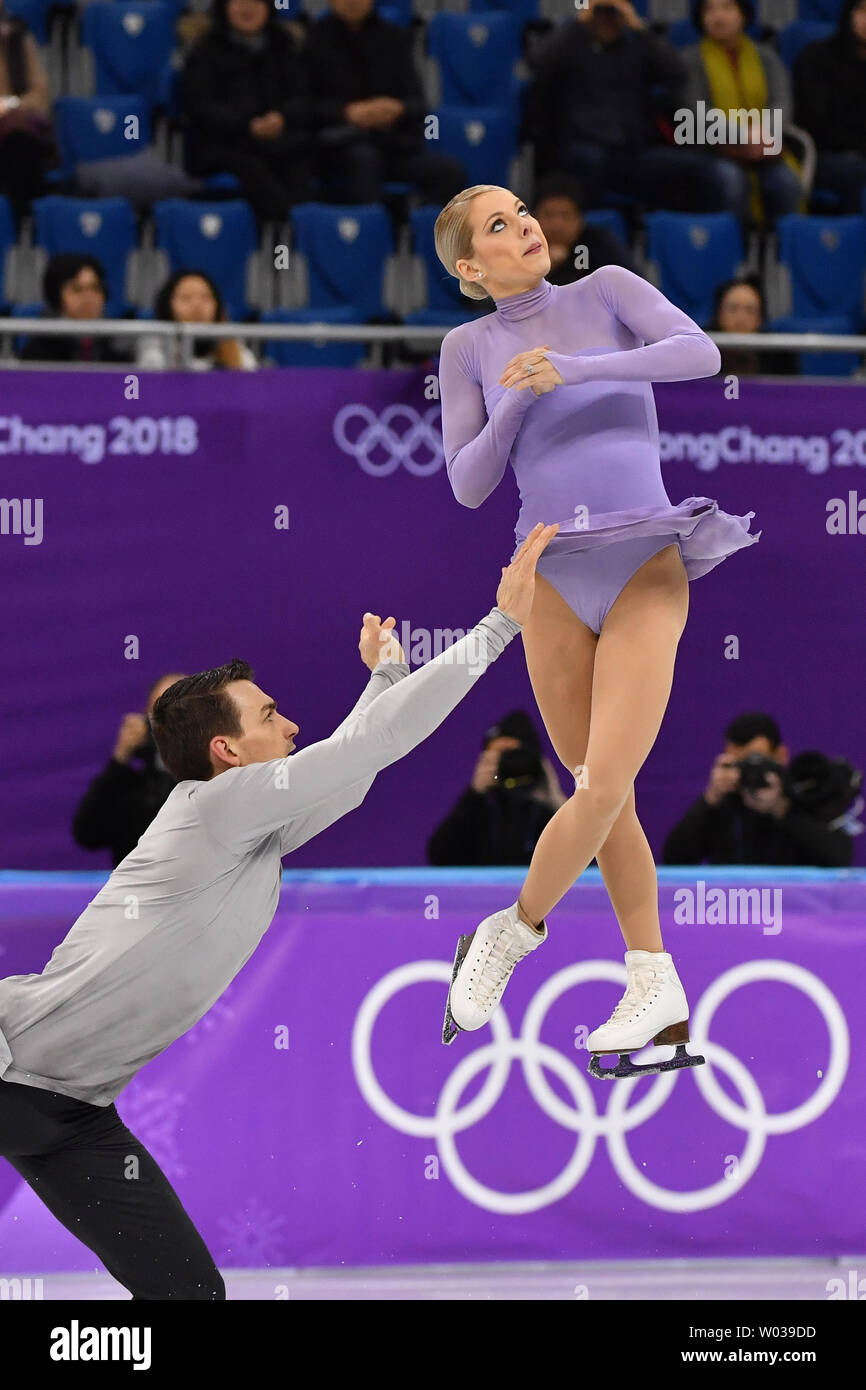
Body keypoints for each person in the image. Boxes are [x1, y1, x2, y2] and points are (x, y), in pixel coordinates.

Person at [0, 526, 555, 1300]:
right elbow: (367, 747)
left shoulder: (252, 832)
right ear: (227, 752)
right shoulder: (216, 809)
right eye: (270, 715)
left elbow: (358, 767)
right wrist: (502, 624)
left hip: (75, 1113)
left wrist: (387, 674)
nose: (290, 725)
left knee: (191, 1297)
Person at [433, 183, 759, 1077]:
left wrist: (571, 370)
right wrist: (513, 399)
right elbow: (466, 483)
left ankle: (511, 932)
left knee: (607, 782)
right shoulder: (466, 347)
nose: (525, 224)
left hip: (643, 554)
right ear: (470, 266)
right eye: (499, 225)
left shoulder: (605, 289)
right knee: (596, 789)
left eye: (522, 211)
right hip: (546, 576)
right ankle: (653, 982)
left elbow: (699, 352)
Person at [523, 0, 742, 216]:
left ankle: (710, 239)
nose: (607, 20)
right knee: (585, 162)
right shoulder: (571, 43)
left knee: (715, 173)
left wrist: (638, 26)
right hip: (584, 151)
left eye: (613, 13)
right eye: (601, 14)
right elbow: (537, 62)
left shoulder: (636, 45)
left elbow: (676, 73)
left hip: (635, 153)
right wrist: (579, 21)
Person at [303, 0, 465, 205]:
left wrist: (398, 109)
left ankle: (420, 234)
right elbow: (303, 107)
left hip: (391, 144)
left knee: (451, 173)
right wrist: (346, 113)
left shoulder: (394, 37)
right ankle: (371, 234)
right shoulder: (314, 39)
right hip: (336, 147)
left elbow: (417, 104)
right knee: (364, 160)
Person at [661, 713, 855, 867]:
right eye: (741, 762)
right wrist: (710, 798)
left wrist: (781, 809)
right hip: (732, 908)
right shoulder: (724, 802)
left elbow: (839, 857)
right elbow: (674, 860)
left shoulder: (804, 794)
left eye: (758, 760)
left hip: (794, 911)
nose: (752, 770)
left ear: (781, 755)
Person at [182, 0, 315, 224]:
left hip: (277, 137)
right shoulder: (205, 49)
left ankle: (307, 243)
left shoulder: (283, 45)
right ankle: (280, 238)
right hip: (223, 143)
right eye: (239, 2)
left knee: (301, 166)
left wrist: (281, 118)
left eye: (256, 2)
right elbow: (201, 107)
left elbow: (303, 96)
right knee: (259, 176)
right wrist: (247, 125)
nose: (248, 8)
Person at [680, 0, 804, 227]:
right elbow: (695, 111)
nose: (718, 16)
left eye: (727, 8)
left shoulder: (766, 56)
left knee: (786, 183)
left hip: (764, 147)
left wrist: (763, 134)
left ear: (743, 15)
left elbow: (781, 101)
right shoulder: (690, 59)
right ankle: (737, 251)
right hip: (713, 149)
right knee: (731, 180)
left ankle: (782, 254)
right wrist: (743, 136)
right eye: (710, 9)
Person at [72, 673, 186, 868]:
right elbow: (87, 834)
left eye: (181, 713)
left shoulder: (217, 778)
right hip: (137, 892)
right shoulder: (131, 783)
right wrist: (120, 758)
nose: (171, 724)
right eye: (161, 713)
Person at [427, 710, 567, 866]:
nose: (510, 762)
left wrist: (556, 800)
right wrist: (474, 794)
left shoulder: (552, 817)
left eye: (513, 753)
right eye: (498, 755)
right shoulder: (482, 813)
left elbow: (593, 862)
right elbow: (439, 856)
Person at [793, 0, 866, 214]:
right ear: (849, 14)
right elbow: (816, 122)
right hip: (823, 154)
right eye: (862, 11)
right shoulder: (817, 57)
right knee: (858, 172)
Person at [17, 254, 132, 364]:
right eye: (77, 289)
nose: (88, 298)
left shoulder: (118, 346)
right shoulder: (40, 349)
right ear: (56, 296)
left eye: (95, 288)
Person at [136, 271, 257, 371]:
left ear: (217, 306)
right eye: (185, 298)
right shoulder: (155, 356)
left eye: (205, 297)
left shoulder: (238, 354)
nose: (197, 305)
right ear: (167, 306)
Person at [531, 172, 637, 286]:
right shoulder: (521, 247)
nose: (557, 225)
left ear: (580, 220)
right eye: (548, 215)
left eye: (565, 216)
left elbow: (633, 287)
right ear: (533, 218)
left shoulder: (599, 243)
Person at [0, 0, 56, 215]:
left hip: (14, 130)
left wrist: (10, 104)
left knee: (21, 144)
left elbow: (40, 95)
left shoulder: (17, 36)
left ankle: (21, 223)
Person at [710, 276, 798, 375]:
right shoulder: (703, 354)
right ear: (719, 314)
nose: (741, 318)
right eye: (733, 308)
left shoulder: (780, 357)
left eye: (750, 310)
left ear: (760, 318)